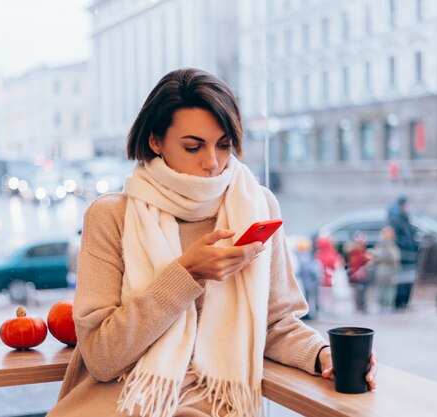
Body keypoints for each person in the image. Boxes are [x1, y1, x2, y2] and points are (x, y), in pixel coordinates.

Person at [47, 68, 376, 417]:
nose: (212, 163)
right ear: (155, 142)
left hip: (215, 403)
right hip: (124, 401)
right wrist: (187, 274)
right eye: (193, 146)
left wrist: (323, 355)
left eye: (223, 145)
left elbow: (276, 325)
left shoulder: (255, 205)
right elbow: (100, 357)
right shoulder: (111, 215)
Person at [387, 195, 418, 310]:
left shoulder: (404, 217)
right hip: (402, 254)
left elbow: (409, 234)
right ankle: (399, 303)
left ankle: (405, 302)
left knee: (408, 280)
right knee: (401, 280)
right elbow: (396, 238)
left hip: (409, 254)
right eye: (406, 205)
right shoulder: (395, 219)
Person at [371, 226, 401, 312]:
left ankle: (384, 306)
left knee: (385, 289)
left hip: (384, 271)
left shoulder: (381, 246)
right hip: (387, 272)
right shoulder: (391, 246)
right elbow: (396, 259)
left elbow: (375, 258)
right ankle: (386, 306)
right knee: (387, 289)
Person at [294, 236, 322, 320]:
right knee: (308, 298)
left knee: (308, 298)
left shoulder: (299, 255)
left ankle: (307, 313)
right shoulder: (305, 256)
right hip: (307, 282)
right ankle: (307, 313)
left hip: (306, 282)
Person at [344, 233, 372, 313]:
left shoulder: (356, 252)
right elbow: (360, 261)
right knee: (360, 291)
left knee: (360, 291)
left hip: (358, 275)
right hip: (358, 275)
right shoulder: (356, 253)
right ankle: (360, 306)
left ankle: (360, 306)